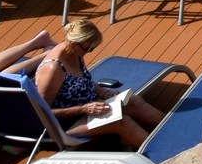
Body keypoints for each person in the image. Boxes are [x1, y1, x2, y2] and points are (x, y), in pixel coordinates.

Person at [31, 19, 161, 150]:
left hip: (88, 108)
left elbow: (82, 81)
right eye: (88, 48)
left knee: (134, 101)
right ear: (73, 43)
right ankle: (160, 153)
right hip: (62, 124)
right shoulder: (53, 69)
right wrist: (84, 109)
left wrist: (104, 92)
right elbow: (42, 111)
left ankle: (171, 130)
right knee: (121, 121)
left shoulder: (74, 52)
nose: (89, 52)